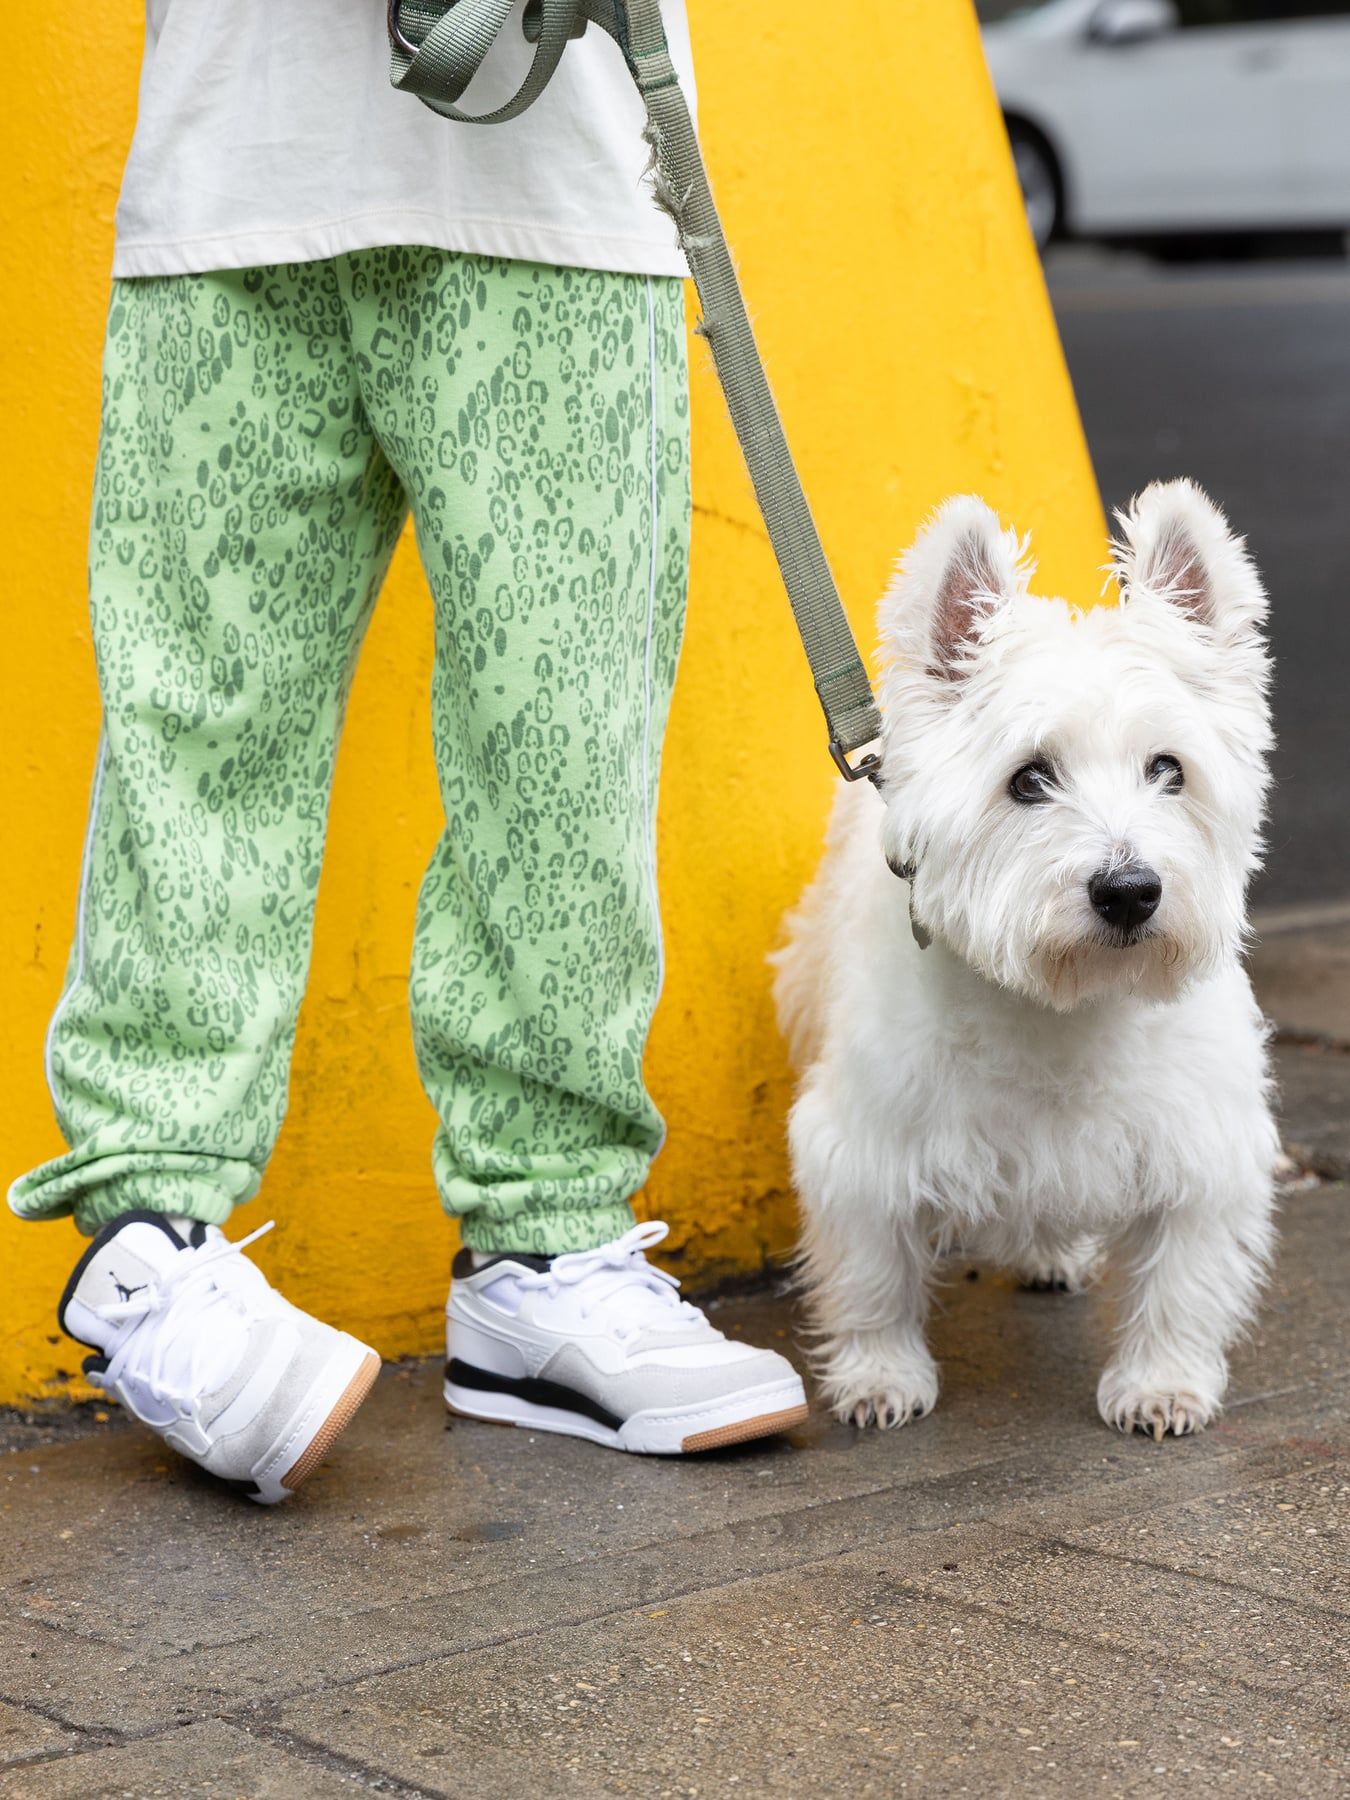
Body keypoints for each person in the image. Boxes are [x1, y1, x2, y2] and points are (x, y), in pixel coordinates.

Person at [12, 0, 808, 1504]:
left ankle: (544, 1254)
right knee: (199, 730)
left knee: (562, 746)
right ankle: (145, 1248)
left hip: (561, 196)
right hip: (230, 184)